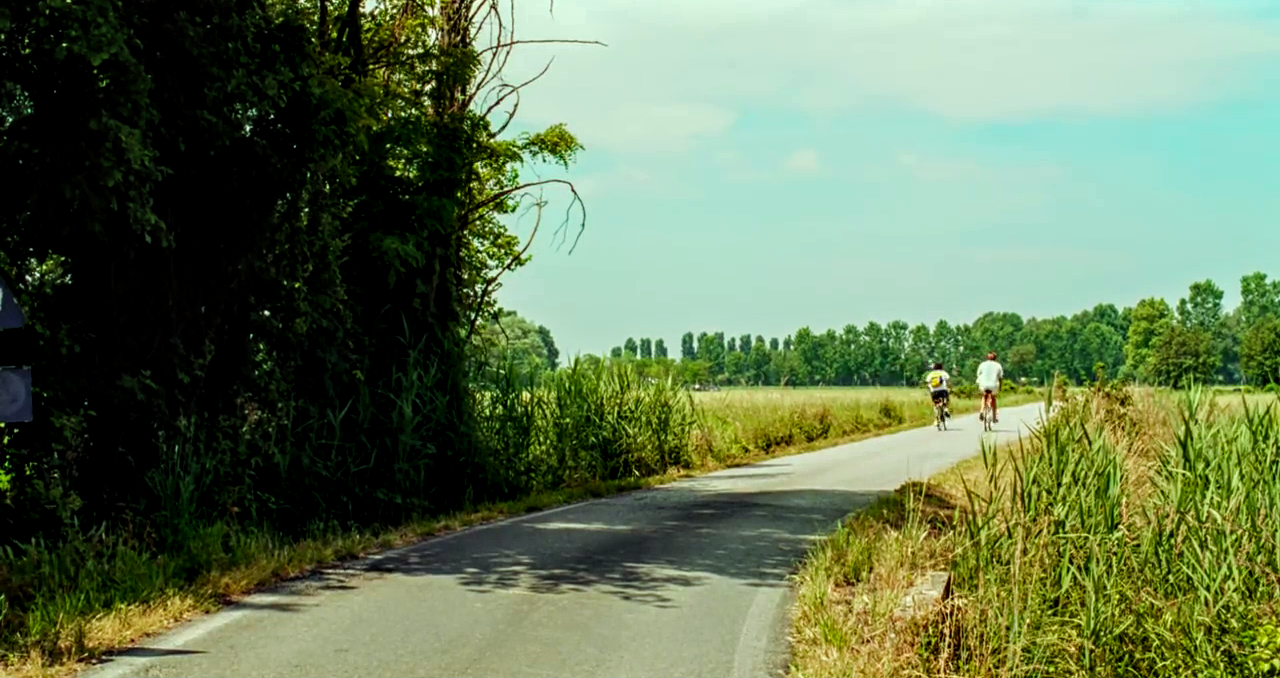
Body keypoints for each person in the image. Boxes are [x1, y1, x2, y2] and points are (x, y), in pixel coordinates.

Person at [975, 351, 1004, 423]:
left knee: (984, 396)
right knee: (993, 398)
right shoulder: (998, 365)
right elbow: (1000, 378)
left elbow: (978, 374)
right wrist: (1000, 387)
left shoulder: (982, 364)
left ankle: (981, 410)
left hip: (983, 384)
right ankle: (994, 417)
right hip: (993, 385)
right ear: (995, 358)